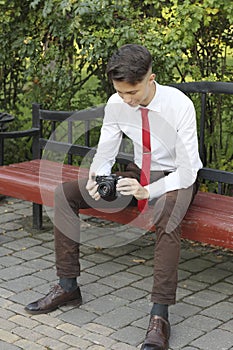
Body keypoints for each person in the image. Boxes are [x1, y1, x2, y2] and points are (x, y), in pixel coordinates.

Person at [25, 44, 202, 350]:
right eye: (120, 92)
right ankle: (68, 286)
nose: (126, 100)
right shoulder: (117, 103)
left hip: (176, 178)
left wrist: (149, 191)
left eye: (131, 93)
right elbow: (105, 152)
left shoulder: (179, 106)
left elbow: (187, 172)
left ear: (151, 79)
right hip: (138, 174)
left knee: (167, 214)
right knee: (64, 193)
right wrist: (98, 178)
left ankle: (160, 316)